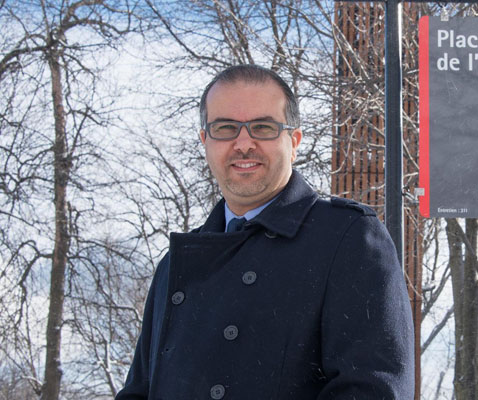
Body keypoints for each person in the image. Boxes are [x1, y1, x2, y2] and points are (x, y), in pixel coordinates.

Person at [116, 65, 414, 399]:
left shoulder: (346, 239)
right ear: (205, 141)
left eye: (263, 127)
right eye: (226, 128)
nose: (244, 144)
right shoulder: (175, 265)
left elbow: (371, 390)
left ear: (294, 140)